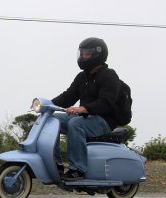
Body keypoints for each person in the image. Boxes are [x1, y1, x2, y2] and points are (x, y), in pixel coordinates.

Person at [52, 37, 121, 180]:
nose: (83, 56)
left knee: (75, 124)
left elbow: (106, 103)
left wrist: (82, 109)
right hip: (85, 117)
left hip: (104, 120)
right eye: (82, 53)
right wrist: (47, 104)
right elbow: (68, 96)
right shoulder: (82, 77)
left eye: (87, 53)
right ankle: (56, 163)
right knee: (54, 119)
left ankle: (78, 169)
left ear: (98, 54)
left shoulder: (109, 76)